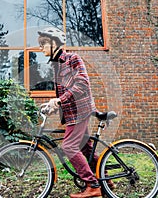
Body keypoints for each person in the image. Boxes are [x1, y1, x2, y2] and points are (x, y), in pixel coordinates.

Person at [37, 27, 106, 198]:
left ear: (55, 43)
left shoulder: (72, 58)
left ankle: (92, 185)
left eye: (43, 44)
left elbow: (82, 84)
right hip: (72, 113)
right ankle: (106, 181)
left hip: (80, 111)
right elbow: (65, 94)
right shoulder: (56, 64)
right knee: (86, 149)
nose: (40, 48)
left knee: (68, 146)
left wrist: (60, 100)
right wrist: (53, 106)